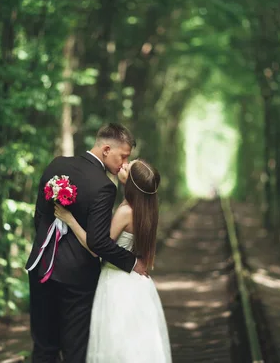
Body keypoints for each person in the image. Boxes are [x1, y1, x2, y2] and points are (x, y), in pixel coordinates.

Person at [25, 123, 149, 363]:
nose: (124, 163)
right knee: (75, 348)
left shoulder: (56, 164)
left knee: (43, 347)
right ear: (105, 150)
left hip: (41, 267)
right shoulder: (104, 186)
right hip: (77, 279)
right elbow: (100, 241)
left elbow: (39, 216)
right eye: (123, 156)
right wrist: (132, 261)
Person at [54, 159, 172, 363]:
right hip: (138, 285)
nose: (123, 165)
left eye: (128, 167)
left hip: (117, 282)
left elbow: (96, 247)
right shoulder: (147, 210)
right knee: (136, 344)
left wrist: (70, 219)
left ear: (132, 182)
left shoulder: (125, 211)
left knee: (115, 343)